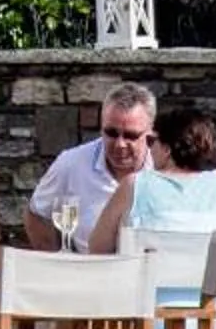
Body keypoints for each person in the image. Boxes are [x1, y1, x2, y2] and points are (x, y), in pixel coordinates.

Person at [88, 103, 216, 252]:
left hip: (147, 285)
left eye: (152, 140)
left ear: (167, 149)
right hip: (212, 286)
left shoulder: (135, 185)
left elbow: (97, 248)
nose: (149, 149)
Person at [27, 83, 156, 250]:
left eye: (131, 136)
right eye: (111, 133)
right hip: (90, 270)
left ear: (150, 133)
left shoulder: (163, 168)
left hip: (147, 271)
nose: (120, 144)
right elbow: (37, 213)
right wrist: (57, 263)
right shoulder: (72, 163)